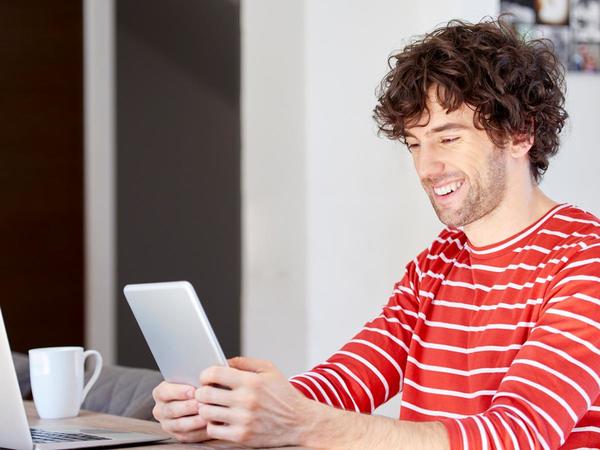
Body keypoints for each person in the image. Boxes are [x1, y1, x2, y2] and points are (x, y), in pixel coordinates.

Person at [151, 18, 600, 449]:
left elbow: (516, 437)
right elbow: (350, 381)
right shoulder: (438, 263)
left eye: (448, 138)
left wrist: (299, 422)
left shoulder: (584, 262)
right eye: (415, 144)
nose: (427, 168)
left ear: (520, 133)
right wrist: (237, 407)